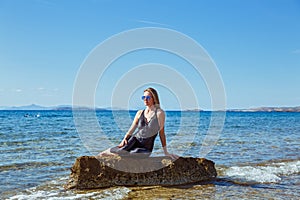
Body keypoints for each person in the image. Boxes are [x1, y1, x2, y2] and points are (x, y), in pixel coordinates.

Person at [99, 87, 178, 159]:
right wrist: (125, 139)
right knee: (121, 150)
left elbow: (162, 134)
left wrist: (165, 152)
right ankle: (104, 153)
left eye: (148, 97)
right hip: (134, 140)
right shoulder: (140, 113)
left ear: (154, 98)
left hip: (146, 148)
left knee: (135, 154)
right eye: (143, 97)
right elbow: (132, 128)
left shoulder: (159, 113)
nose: (145, 99)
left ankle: (108, 154)